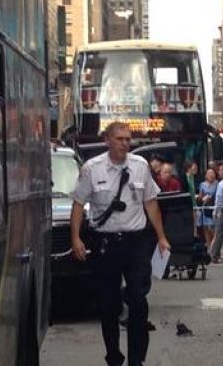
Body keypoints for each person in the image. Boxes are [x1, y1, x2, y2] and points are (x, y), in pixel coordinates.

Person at [70, 122, 171, 366]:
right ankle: (113, 356)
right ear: (108, 140)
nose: (125, 143)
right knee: (108, 305)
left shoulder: (140, 167)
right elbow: (77, 204)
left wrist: (161, 236)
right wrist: (76, 238)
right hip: (105, 244)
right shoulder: (92, 169)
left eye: (128, 139)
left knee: (138, 300)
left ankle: (137, 360)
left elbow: (150, 203)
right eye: (120, 139)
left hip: (135, 243)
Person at [196, 167, 218, 248]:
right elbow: (200, 196)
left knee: (211, 228)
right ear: (206, 175)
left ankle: (215, 247)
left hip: (213, 208)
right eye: (209, 173)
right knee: (205, 228)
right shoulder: (202, 184)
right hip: (204, 208)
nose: (211, 175)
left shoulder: (217, 184)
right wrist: (201, 198)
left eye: (212, 173)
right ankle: (209, 247)